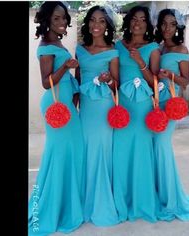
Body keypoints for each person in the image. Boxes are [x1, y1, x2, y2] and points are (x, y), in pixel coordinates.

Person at [28, 2, 85, 235]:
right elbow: (45, 81)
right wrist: (67, 67)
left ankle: (67, 202)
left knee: (71, 152)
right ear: (47, 21)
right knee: (59, 155)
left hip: (65, 104)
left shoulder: (57, 42)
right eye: (57, 19)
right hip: (55, 105)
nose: (62, 22)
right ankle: (53, 207)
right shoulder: (46, 47)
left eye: (64, 18)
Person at [153, 8, 189, 221]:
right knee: (154, 147)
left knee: (162, 147)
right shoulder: (158, 48)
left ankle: (171, 199)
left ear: (178, 27)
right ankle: (156, 193)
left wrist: (170, 75)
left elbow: (185, 81)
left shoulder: (182, 50)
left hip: (169, 104)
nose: (167, 28)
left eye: (172, 24)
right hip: (154, 104)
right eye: (164, 23)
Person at [112, 5, 162, 223]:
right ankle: (120, 200)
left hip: (142, 105)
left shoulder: (153, 48)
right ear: (128, 22)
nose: (137, 22)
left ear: (147, 24)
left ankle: (142, 201)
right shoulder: (117, 46)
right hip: (122, 105)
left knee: (141, 151)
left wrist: (141, 63)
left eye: (142, 19)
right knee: (121, 151)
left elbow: (154, 83)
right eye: (133, 18)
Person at [75, 5, 119, 226]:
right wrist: (72, 111)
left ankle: (101, 202)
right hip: (86, 110)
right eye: (93, 20)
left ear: (107, 26)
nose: (96, 25)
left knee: (101, 151)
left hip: (103, 108)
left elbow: (117, 84)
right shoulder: (79, 50)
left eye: (102, 21)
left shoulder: (113, 51)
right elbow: (77, 82)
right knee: (85, 151)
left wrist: (109, 79)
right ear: (87, 23)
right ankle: (84, 199)